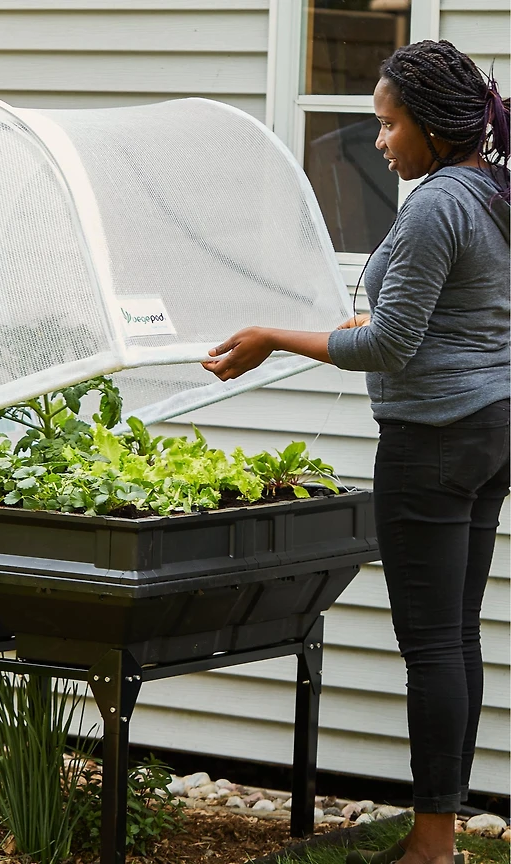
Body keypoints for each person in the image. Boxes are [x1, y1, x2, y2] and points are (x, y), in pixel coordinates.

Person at [203, 40, 510, 864]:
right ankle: (441, 826)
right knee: (460, 635)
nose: (378, 141)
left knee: (433, 645)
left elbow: (393, 347)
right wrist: (356, 329)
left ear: (433, 127)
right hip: (491, 430)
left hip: (434, 442)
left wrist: (273, 335)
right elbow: (463, 314)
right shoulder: (492, 189)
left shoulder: (436, 204)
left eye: (388, 123)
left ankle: (433, 843)